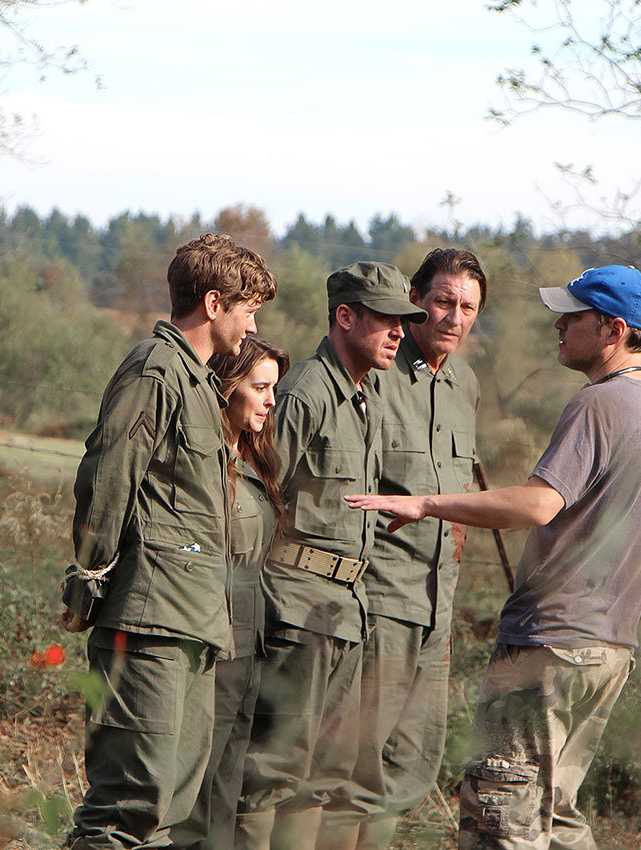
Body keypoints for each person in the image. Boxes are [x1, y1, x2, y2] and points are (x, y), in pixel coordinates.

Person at [347, 265, 641, 849]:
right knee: (556, 818)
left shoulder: (599, 406)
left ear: (612, 330)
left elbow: (538, 504)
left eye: (573, 316)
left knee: (502, 822)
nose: (559, 326)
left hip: (549, 648)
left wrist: (427, 503)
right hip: (610, 650)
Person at [62, 233, 277, 850]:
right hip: (149, 617)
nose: (253, 322)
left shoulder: (202, 387)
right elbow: (107, 476)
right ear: (214, 303)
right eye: (248, 308)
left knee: (167, 811)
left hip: (192, 620)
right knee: (127, 807)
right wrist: (89, 579)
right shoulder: (154, 371)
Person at [237, 262, 427, 850]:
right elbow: (253, 498)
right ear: (345, 317)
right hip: (295, 613)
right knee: (271, 774)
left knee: (321, 779)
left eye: (405, 322)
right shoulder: (304, 393)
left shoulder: (363, 395)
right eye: (387, 320)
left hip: (343, 613)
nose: (400, 333)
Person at [337, 249, 486, 850]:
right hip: (377, 601)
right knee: (353, 763)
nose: (453, 317)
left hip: (436, 605)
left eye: (468, 307)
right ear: (416, 301)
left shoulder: (463, 384)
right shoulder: (373, 373)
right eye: (443, 301)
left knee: (413, 764)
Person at [173, 337, 291, 850]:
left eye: (274, 390)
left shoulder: (257, 460)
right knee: (194, 796)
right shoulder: (202, 464)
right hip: (210, 646)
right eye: (260, 388)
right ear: (225, 388)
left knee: (226, 788)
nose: (269, 401)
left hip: (250, 644)